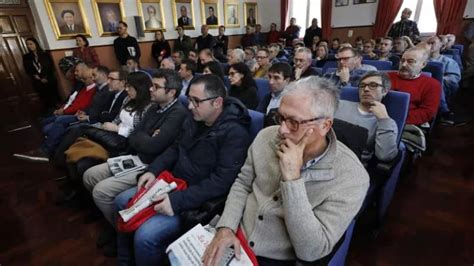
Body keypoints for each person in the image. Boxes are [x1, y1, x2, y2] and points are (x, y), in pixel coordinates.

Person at [203, 76, 369, 265]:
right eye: (280, 117)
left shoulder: (352, 177)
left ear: (324, 126)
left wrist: (292, 180)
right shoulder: (266, 136)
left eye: (293, 122)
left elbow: (312, 250)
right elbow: (242, 184)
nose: (281, 130)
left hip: (277, 259)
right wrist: (226, 228)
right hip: (236, 234)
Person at [114, 74, 251, 265]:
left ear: (217, 102)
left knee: (146, 236)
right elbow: (175, 149)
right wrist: (152, 170)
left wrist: (177, 201)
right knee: (120, 201)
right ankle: (125, 260)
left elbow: (222, 181)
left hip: (194, 200)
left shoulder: (235, 133)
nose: (189, 106)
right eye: (189, 99)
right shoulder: (193, 118)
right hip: (172, 184)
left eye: (196, 101)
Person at [83, 69, 187, 256]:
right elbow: (135, 135)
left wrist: (144, 137)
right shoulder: (155, 107)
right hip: (136, 156)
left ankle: (121, 233)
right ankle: (116, 226)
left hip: (150, 164)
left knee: (101, 191)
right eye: (151, 85)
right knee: (89, 175)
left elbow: (155, 146)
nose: (150, 89)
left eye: (156, 86)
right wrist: (145, 136)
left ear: (171, 92)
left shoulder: (177, 113)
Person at [14, 63, 97, 161]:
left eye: (85, 79)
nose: (82, 80)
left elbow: (85, 106)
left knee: (59, 121)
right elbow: (73, 101)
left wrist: (73, 111)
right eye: (82, 79)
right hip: (75, 113)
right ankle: (47, 149)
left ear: (92, 78)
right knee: (45, 124)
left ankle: (46, 151)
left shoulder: (95, 89)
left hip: (80, 115)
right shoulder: (84, 87)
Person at [335, 71, 398, 164]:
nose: (366, 89)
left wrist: (384, 120)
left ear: (384, 91)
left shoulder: (387, 122)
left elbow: (385, 156)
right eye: (362, 85)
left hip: (352, 165)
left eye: (373, 85)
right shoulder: (339, 104)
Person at [387, 47, 441, 126]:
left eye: (410, 61)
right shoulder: (385, 77)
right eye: (402, 61)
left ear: (423, 64)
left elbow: (427, 113)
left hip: (407, 124)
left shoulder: (432, 84)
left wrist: (394, 119)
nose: (404, 64)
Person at [426, 36, 461, 124]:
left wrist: (438, 79)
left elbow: (454, 78)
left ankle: (443, 111)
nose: (430, 45)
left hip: (442, 86)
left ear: (440, 45)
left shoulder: (448, 61)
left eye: (433, 43)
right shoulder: (421, 60)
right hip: (423, 85)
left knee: (436, 83)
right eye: (428, 43)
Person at [23, 37, 60, 115]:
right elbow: (27, 69)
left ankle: (57, 113)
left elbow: (51, 66)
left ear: (36, 44)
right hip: (38, 81)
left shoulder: (45, 54)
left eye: (31, 44)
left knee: (54, 98)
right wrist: (36, 76)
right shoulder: (26, 57)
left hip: (49, 79)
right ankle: (49, 115)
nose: (29, 46)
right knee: (44, 100)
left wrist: (45, 77)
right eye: (27, 44)